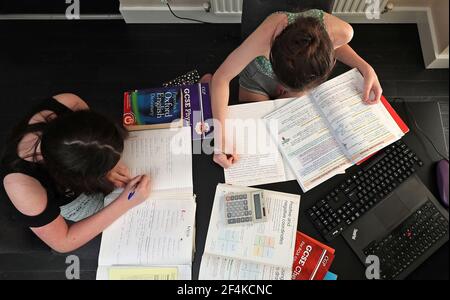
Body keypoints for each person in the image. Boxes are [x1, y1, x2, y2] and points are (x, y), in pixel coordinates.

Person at [210, 9, 383, 168]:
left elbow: (334, 47)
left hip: (298, 81)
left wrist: (366, 68)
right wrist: (221, 139)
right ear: (272, 54)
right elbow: (221, 78)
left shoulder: (344, 31)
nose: (281, 91)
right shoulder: (265, 35)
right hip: (258, 79)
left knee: (288, 137)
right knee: (258, 136)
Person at [0, 93, 151, 253]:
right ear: (78, 176)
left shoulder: (69, 103)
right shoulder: (21, 186)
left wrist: (107, 165)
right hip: (65, 197)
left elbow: (92, 146)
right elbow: (63, 242)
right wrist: (125, 203)